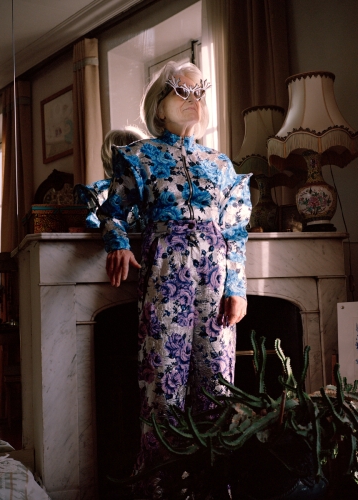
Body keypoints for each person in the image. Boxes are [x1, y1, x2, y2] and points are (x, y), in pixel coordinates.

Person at [97, 61, 252, 496]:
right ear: (158, 107)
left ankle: (211, 487)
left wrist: (236, 288)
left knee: (217, 388)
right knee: (163, 387)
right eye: (181, 92)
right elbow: (111, 212)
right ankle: (160, 489)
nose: (193, 100)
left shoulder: (222, 165)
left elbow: (236, 233)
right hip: (166, 277)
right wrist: (118, 244)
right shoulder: (139, 157)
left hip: (216, 282)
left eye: (199, 92)